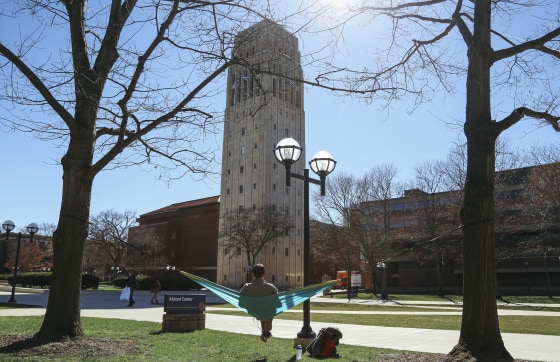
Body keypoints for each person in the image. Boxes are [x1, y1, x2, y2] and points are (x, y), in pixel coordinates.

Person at [240, 264, 278, 342]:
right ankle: (266, 332)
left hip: (253, 310)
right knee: (270, 310)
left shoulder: (246, 287)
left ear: (253, 274)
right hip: (267, 311)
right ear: (264, 274)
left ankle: (265, 332)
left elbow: (240, 303)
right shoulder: (271, 288)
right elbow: (279, 304)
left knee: (263, 311)